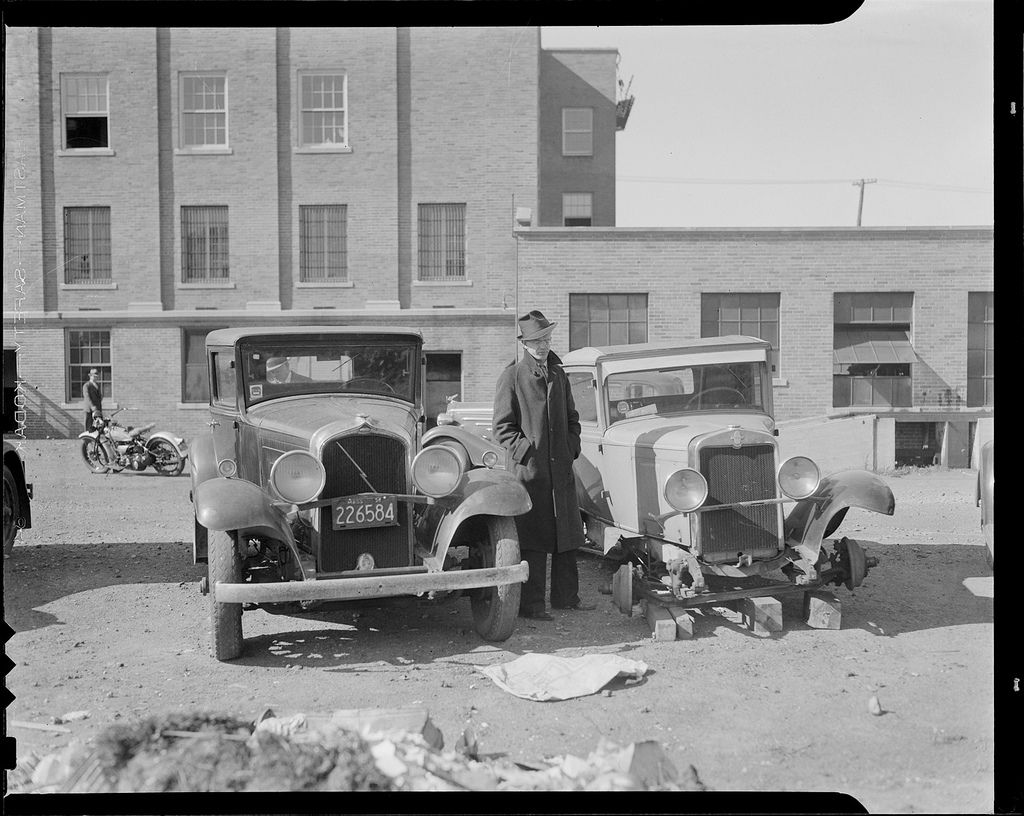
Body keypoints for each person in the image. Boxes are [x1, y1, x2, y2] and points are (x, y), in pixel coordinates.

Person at [492, 310, 596, 621]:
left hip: (561, 471)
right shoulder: (511, 377)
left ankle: (567, 598)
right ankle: (531, 606)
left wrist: (571, 448)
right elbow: (502, 428)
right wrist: (528, 454)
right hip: (530, 475)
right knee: (534, 541)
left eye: (547, 339)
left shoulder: (558, 375)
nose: (543, 346)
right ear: (524, 343)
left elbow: (573, 420)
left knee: (567, 536)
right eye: (537, 341)